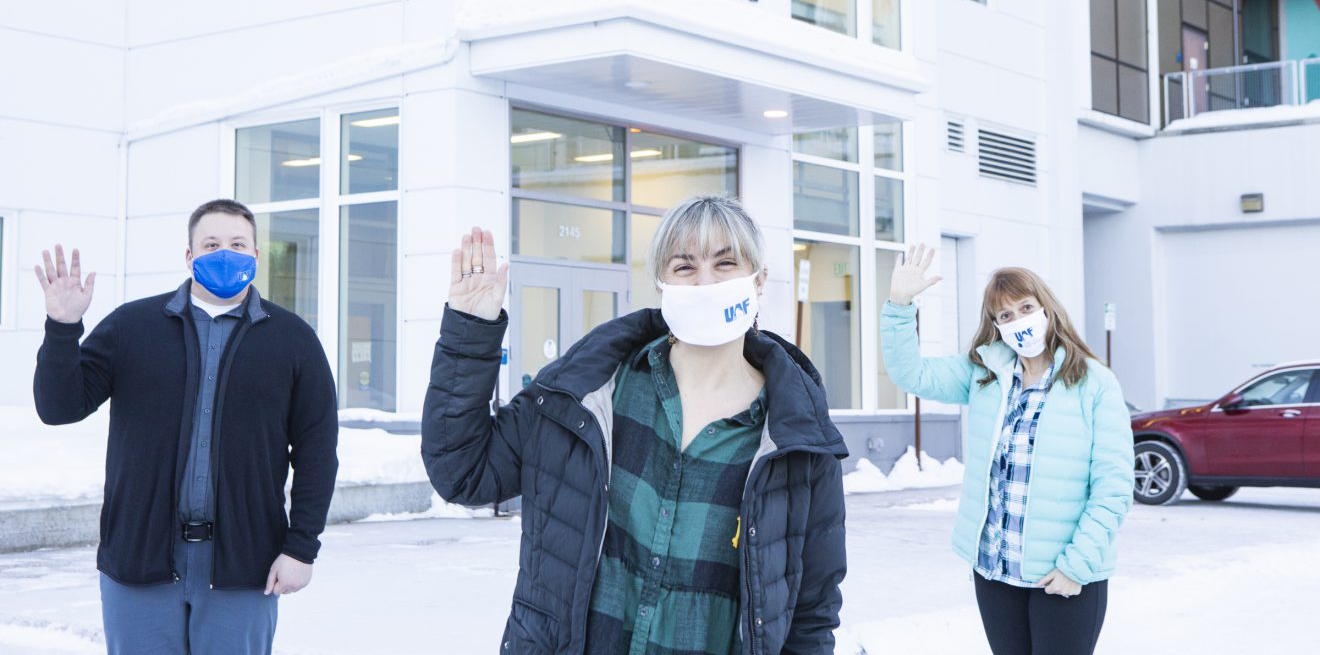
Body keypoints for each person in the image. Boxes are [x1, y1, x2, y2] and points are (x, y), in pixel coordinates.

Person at [422, 195, 848, 654]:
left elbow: (810, 616)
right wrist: (470, 330)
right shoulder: (583, 395)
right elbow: (462, 471)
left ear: (758, 281)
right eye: (685, 267)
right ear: (662, 284)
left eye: (725, 264)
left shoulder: (799, 443)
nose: (705, 282)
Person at [33, 198, 339, 655]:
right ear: (189, 255)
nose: (224, 253)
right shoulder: (132, 327)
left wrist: (301, 548)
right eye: (211, 243)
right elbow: (59, 407)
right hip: (140, 559)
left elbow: (317, 452)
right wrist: (63, 327)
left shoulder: (293, 340)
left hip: (244, 566)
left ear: (256, 255)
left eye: (237, 244)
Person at [881, 243, 1134, 655]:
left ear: (1046, 309)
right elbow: (910, 373)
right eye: (1005, 315)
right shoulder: (985, 374)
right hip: (996, 572)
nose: (1019, 321)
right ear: (996, 326)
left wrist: (1076, 566)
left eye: (1026, 308)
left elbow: (1114, 487)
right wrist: (899, 304)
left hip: (1063, 577)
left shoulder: (1093, 383)